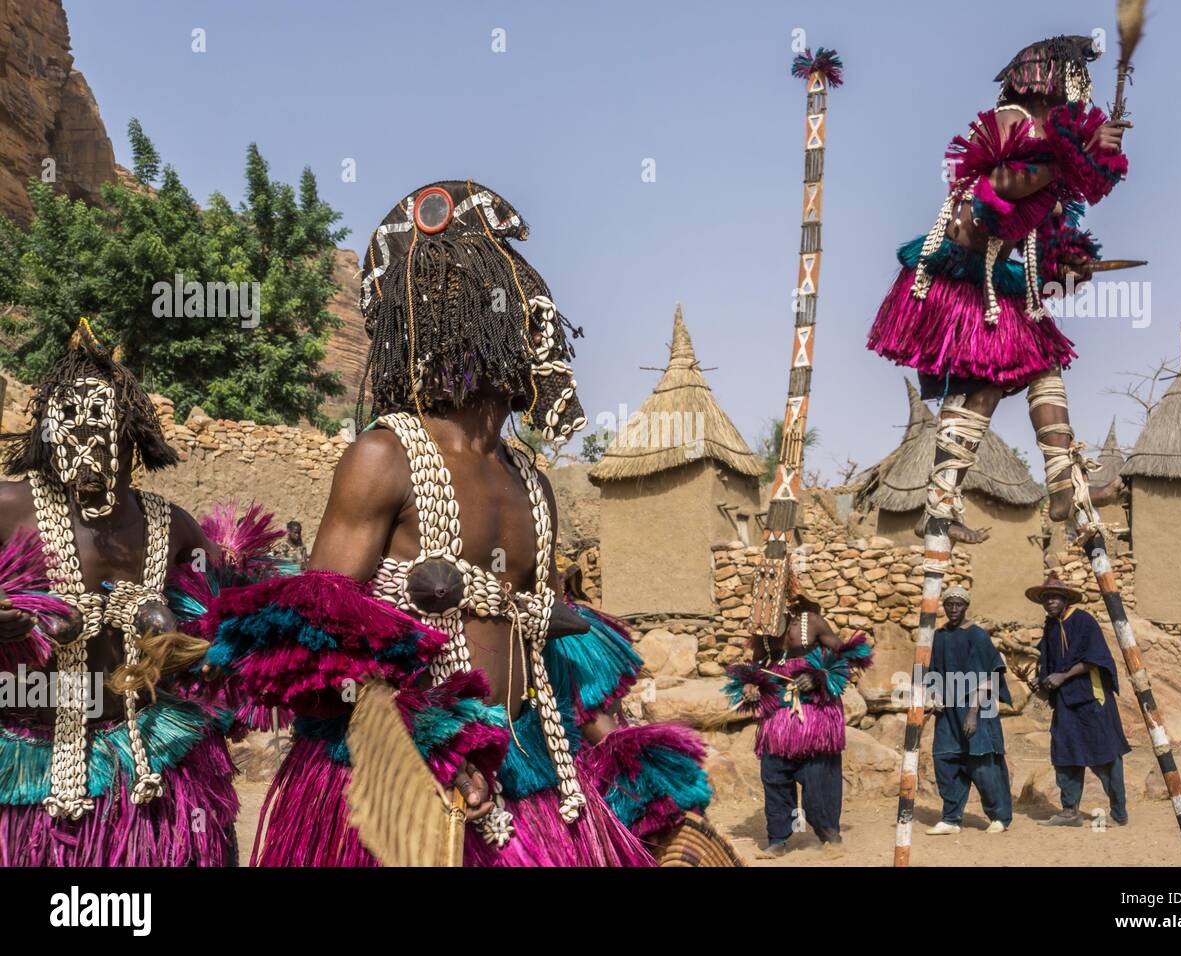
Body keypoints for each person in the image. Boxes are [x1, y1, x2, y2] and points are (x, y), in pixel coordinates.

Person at [202, 180, 713, 866]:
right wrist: (432, 743)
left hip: (524, 780)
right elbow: (317, 660)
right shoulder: (383, 458)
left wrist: (637, 773)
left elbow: (554, 647)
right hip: (396, 792)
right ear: (475, 326)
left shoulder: (532, 483)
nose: (548, 335)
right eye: (527, 317)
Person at [867, 35, 1129, 544]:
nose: (1076, 105)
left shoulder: (1048, 146)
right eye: (1070, 92)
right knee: (981, 386)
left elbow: (1041, 247)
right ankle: (941, 505)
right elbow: (1003, 190)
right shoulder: (1012, 121)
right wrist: (1078, 154)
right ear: (1047, 83)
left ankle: (1058, 487)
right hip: (956, 280)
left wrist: (1073, 264)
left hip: (996, 286)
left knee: (1027, 370)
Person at [0, 322, 238, 865]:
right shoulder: (8, 509)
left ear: (132, 437)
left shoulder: (170, 525)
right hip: (27, 756)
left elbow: (228, 618)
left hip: (148, 760)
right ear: (47, 436)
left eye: (99, 434)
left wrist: (178, 634)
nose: (84, 453)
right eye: (70, 433)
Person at [724, 583, 871, 855]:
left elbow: (847, 658)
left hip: (815, 714)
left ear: (786, 605)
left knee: (818, 780)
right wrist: (752, 686)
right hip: (778, 717)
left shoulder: (811, 623)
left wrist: (818, 676)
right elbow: (758, 670)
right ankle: (778, 838)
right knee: (774, 774)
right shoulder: (763, 636)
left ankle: (829, 835)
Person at [1028, 574, 1130, 827]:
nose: (1050, 601)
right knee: (1065, 753)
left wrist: (1063, 676)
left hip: (1091, 699)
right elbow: (1047, 663)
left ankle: (1118, 809)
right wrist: (1042, 683)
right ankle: (1069, 811)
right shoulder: (1050, 626)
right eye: (1046, 598)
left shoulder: (1084, 621)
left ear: (1065, 598)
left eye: (1055, 597)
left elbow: (1096, 658)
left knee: (1105, 754)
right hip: (1065, 703)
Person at [925, 585, 1013, 835]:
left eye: (958, 604)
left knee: (982, 763)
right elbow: (934, 672)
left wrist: (973, 713)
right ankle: (951, 818)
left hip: (976, 706)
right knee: (946, 759)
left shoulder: (977, 636)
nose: (954, 609)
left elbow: (989, 675)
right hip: (948, 710)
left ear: (966, 606)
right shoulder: (939, 636)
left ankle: (999, 817)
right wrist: (934, 698)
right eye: (949, 604)